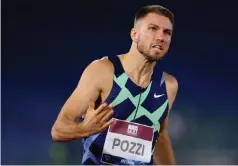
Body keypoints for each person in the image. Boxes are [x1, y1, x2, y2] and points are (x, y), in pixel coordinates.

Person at [51, 5, 178, 165]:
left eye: (167, 32)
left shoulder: (168, 85)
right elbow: (58, 129)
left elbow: (159, 136)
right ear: (134, 34)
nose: (161, 37)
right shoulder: (103, 71)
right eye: (153, 28)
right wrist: (85, 129)